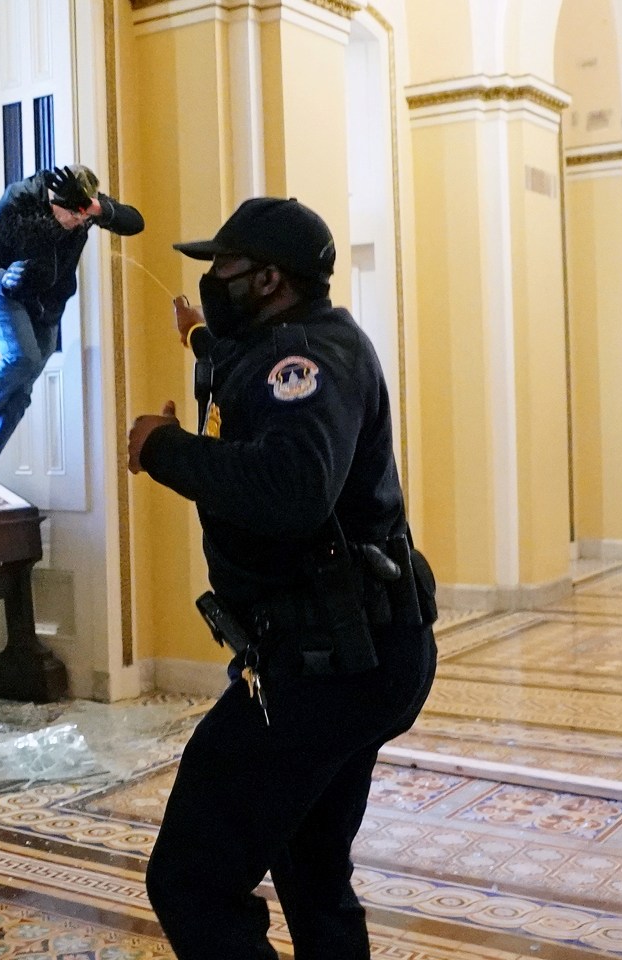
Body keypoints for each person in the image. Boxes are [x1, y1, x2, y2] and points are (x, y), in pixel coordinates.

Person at [126, 197, 439, 960]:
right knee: (311, 865)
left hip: (326, 665)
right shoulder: (299, 344)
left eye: (221, 270)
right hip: (358, 651)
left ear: (267, 279)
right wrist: (200, 339)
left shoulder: (303, 359)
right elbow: (255, 391)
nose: (210, 282)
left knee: (192, 878)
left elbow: (293, 487)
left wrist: (161, 448)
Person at [0, 164, 144, 506]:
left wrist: (97, 209)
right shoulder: (19, 201)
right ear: (50, 200)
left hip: (48, 307)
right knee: (23, 357)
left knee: (19, 397)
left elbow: (136, 222)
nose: (76, 223)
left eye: (82, 217)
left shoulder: (86, 208)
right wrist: (3, 278)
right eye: (70, 214)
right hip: (7, 293)